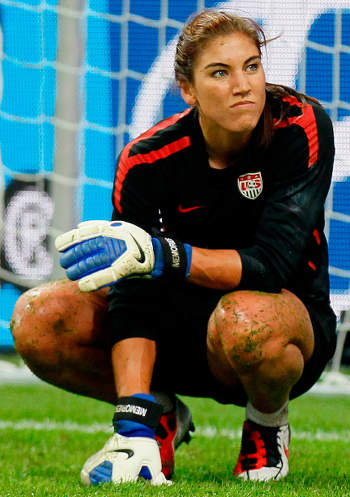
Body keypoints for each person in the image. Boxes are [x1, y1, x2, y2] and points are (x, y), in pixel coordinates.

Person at [11, 9, 336, 485]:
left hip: (280, 332)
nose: (244, 86)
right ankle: (156, 419)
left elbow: (270, 266)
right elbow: (131, 295)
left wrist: (163, 254)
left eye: (252, 66)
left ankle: (267, 423)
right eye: (220, 73)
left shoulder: (299, 126)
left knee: (245, 319)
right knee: (38, 318)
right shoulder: (147, 160)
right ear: (188, 90)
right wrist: (130, 419)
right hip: (175, 333)